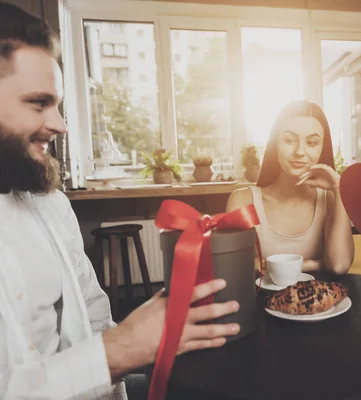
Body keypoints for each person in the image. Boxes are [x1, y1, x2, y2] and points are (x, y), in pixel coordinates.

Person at [0, 3, 240, 398]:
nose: (59, 124)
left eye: (58, 104)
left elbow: (94, 312)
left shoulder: (52, 205)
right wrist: (121, 349)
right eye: (39, 103)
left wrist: (145, 338)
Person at [226, 101, 354, 274]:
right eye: (290, 140)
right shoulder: (243, 200)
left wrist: (339, 188)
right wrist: (315, 264)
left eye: (312, 143)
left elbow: (339, 266)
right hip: (258, 300)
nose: (300, 151)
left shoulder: (330, 199)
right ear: (275, 144)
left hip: (319, 300)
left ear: (322, 148)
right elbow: (235, 266)